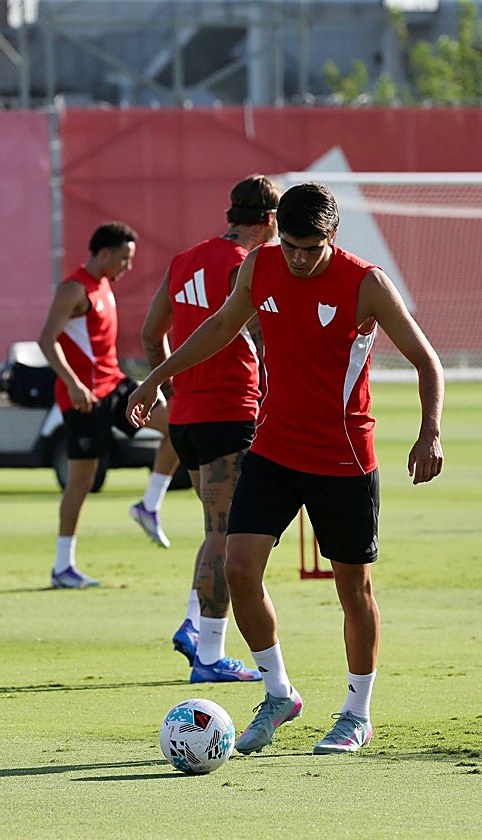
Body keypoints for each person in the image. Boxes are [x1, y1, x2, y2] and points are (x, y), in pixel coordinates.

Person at [127, 182, 445, 754]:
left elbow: (427, 361)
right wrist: (155, 379)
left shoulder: (366, 283)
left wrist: (430, 433)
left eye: (310, 249)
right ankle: (278, 693)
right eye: (291, 246)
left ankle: (356, 713)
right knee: (239, 567)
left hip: (343, 458)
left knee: (353, 588)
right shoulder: (260, 265)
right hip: (273, 450)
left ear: (333, 236)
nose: (298, 259)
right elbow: (221, 326)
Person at [139, 173, 280, 682]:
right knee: (227, 534)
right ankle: (210, 655)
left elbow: (150, 334)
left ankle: (195, 625)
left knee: (216, 531)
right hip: (229, 411)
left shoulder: (184, 259)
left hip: (187, 418)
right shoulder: (246, 263)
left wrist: (169, 390)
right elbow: (266, 337)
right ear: (270, 219)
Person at [38, 221, 142, 589]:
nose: (128, 266)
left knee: (176, 422)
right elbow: (46, 339)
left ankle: (150, 504)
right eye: (124, 258)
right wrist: (73, 384)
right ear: (104, 253)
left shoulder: (104, 285)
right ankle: (62, 566)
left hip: (115, 384)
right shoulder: (74, 288)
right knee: (82, 481)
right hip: (84, 397)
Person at [127, 401, 175, 549]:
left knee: (178, 429)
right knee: (178, 427)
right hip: (100, 394)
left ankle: (150, 504)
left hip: (114, 388)